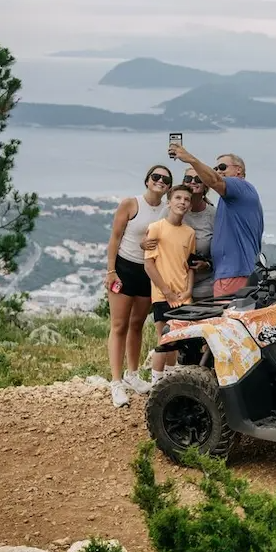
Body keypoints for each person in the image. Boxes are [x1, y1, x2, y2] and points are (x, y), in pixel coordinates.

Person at [104, 164, 170, 407]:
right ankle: (116, 381)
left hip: (147, 272)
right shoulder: (131, 204)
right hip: (123, 269)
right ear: (147, 180)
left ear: (169, 187)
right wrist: (111, 271)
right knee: (119, 325)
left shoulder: (166, 209)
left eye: (165, 179)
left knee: (137, 324)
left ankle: (133, 375)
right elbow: (115, 238)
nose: (160, 181)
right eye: (156, 176)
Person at [166, 147, 263, 298]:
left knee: (227, 320)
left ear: (239, 170)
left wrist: (190, 158)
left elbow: (215, 181)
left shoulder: (240, 186)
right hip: (231, 274)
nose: (218, 171)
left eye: (223, 167)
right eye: (215, 168)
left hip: (234, 273)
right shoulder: (232, 199)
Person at [143, 184, 197, 383]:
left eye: (186, 199)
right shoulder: (156, 228)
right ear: (169, 201)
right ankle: (157, 383)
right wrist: (167, 292)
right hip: (162, 294)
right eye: (178, 198)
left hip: (184, 295)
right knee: (164, 340)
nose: (182, 202)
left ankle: (170, 381)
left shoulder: (190, 233)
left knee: (178, 340)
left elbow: (189, 265)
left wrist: (189, 290)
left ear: (190, 206)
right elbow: (149, 265)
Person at [180, 169, 216, 301]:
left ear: (206, 184)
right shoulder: (171, 211)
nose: (193, 182)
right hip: (174, 286)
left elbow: (223, 251)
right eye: (188, 179)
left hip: (204, 288)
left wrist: (207, 265)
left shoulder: (213, 215)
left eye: (198, 179)